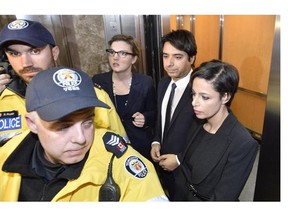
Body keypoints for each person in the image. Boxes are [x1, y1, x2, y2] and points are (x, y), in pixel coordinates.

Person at [0, 66, 168, 201]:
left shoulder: (119, 162)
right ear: (32, 123)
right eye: (64, 126)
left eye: (88, 122)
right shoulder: (5, 157)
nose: (81, 139)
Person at [0, 19, 126, 146]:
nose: (26, 63)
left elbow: (122, 149)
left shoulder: (94, 96)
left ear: (54, 53)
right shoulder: (3, 100)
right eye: (14, 53)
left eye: (35, 51)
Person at [173, 59, 258, 201]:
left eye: (204, 97)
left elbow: (223, 198)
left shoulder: (242, 143)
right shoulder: (198, 120)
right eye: (193, 94)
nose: (194, 102)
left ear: (225, 96)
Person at [150, 29, 200, 200]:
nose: (169, 63)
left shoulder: (201, 90)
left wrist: (179, 159)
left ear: (192, 59)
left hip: (188, 171)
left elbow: (206, 134)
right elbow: (161, 119)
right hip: (163, 166)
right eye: (165, 56)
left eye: (177, 57)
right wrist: (156, 141)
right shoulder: (163, 83)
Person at [92, 34, 156, 161]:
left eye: (122, 53)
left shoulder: (145, 82)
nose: (115, 57)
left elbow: (154, 113)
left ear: (133, 59)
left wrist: (145, 117)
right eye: (112, 52)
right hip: (109, 147)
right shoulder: (98, 81)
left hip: (139, 146)